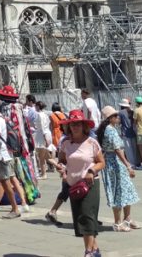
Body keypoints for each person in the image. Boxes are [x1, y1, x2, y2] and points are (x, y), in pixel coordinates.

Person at [53, 109, 106, 257]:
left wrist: (92, 171)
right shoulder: (66, 144)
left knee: (87, 216)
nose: (75, 127)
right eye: (72, 124)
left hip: (89, 184)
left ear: (84, 126)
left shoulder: (91, 142)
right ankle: (95, 250)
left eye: (78, 124)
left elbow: (101, 163)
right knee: (80, 219)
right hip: (73, 185)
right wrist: (61, 169)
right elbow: (62, 161)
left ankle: (88, 252)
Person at [98, 106, 140, 232]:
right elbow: (117, 149)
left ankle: (127, 218)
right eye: (115, 116)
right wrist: (128, 165)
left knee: (126, 189)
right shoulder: (110, 130)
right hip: (114, 163)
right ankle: (117, 222)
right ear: (109, 118)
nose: (118, 117)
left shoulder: (109, 129)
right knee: (118, 191)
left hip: (114, 162)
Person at [33, 101, 54, 179]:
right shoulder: (45, 114)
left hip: (41, 136)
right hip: (46, 134)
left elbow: (41, 127)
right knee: (47, 157)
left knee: (41, 157)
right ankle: (59, 166)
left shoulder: (39, 114)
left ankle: (44, 174)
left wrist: (45, 138)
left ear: (38, 106)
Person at [117, 99, 138, 167]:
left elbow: (119, 122)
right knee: (134, 149)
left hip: (125, 132)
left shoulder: (120, 112)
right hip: (133, 131)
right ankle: (137, 162)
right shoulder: (132, 111)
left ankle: (132, 163)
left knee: (128, 150)